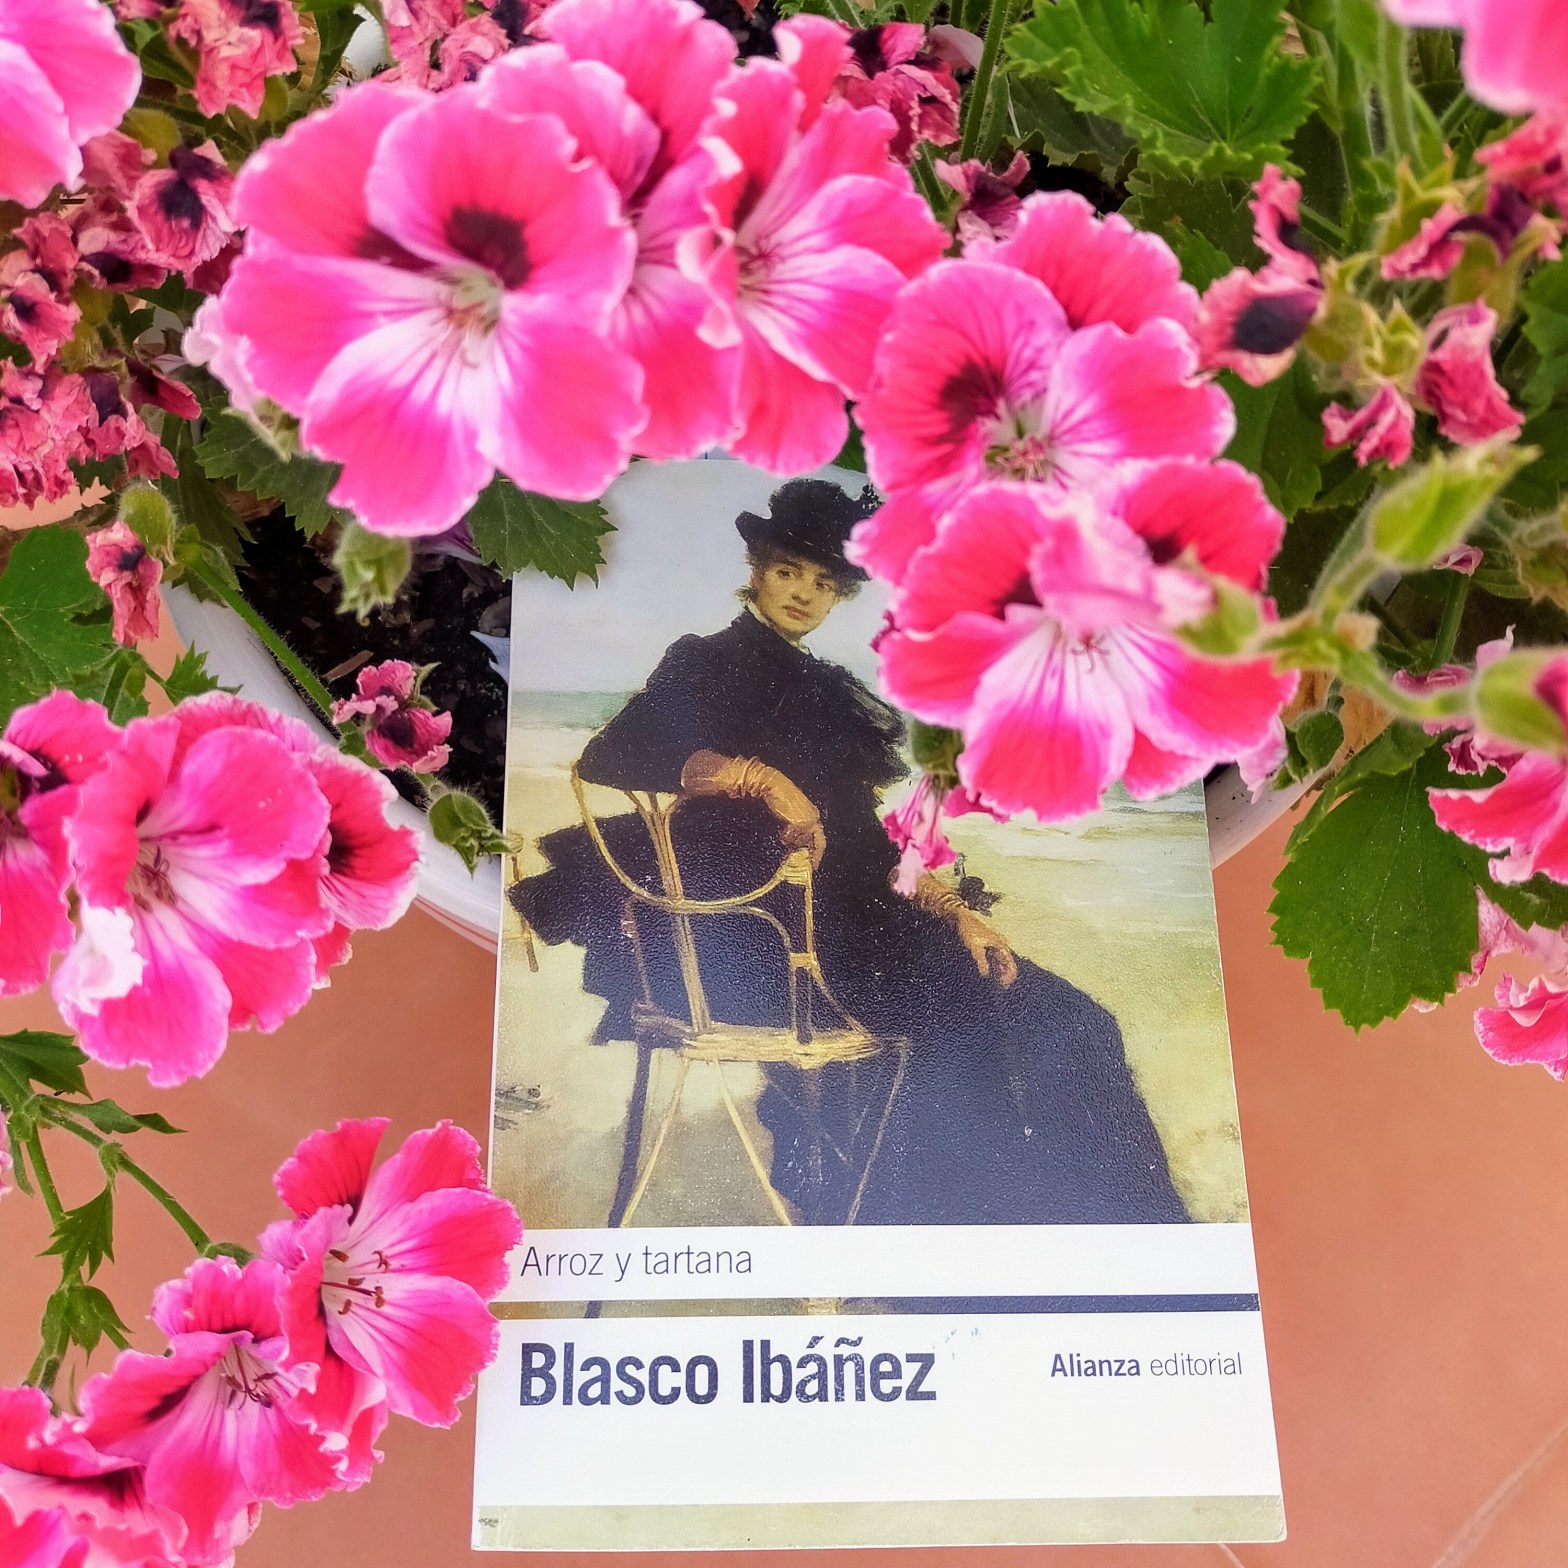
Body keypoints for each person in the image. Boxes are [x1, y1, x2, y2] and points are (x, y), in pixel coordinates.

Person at [511, 479, 1187, 1227]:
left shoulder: (831, 693)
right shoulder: (706, 660)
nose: (804, 594)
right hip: (760, 932)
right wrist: (758, 778)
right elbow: (613, 754)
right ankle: (940, 1229)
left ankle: (1112, 1235)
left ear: (840, 595)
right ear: (757, 569)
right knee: (961, 1013)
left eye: (824, 582)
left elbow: (867, 840)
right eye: (788, 571)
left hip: (856, 918)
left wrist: (956, 912)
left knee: (1076, 1020)